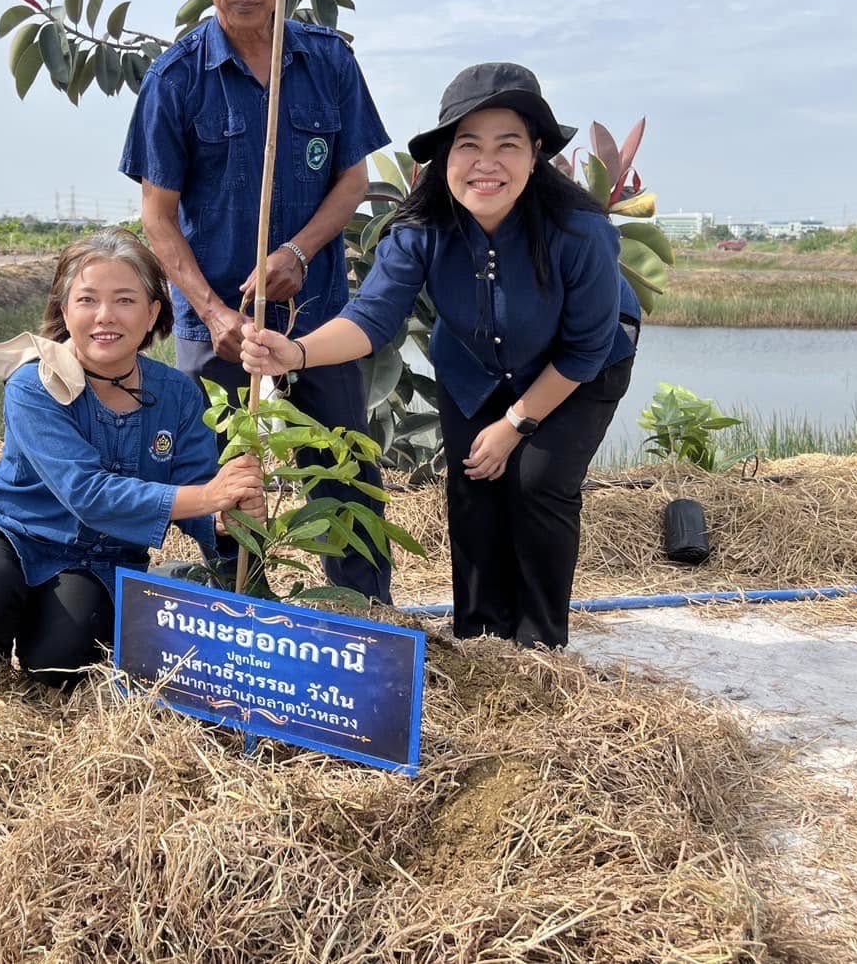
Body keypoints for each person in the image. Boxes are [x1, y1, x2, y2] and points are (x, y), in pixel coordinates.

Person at [241, 63, 641, 650]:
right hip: (474, 365)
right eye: (468, 145)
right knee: (473, 485)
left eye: (508, 144)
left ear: (535, 155)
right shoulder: (419, 231)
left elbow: (584, 349)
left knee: (539, 481)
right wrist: (294, 352)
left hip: (581, 367)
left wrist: (515, 424)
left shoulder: (581, 232)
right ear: (442, 161)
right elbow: (370, 320)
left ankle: (539, 646)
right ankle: (480, 641)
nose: (487, 163)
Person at [119, 0, 394, 604]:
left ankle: (362, 619)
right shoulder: (175, 78)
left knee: (342, 475)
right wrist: (213, 313)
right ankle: (245, 619)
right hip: (213, 325)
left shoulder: (327, 62)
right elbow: (157, 217)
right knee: (221, 480)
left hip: (315, 315)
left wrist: (299, 251)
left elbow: (353, 180)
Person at [0, 230, 265, 712]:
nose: (105, 316)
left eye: (125, 300)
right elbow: (87, 492)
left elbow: (197, 487)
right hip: (11, 533)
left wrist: (224, 518)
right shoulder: (34, 383)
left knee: (62, 659)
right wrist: (208, 497)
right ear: (64, 310)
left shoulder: (176, 394)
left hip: (97, 558)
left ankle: (42, 632)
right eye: (87, 299)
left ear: (153, 312)